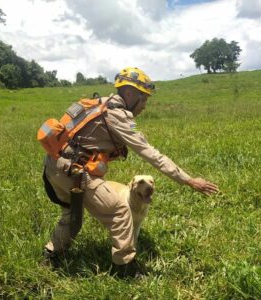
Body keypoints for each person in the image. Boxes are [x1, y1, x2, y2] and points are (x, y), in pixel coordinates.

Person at [42, 67, 219, 277]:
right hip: (75, 172)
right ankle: (125, 269)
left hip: (54, 167)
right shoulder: (118, 115)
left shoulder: (100, 104)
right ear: (129, 94)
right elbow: (151, 153)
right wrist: (189, 180)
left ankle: (50, 255)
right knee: (120, 209)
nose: (145, 106)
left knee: (73, 214)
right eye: (143, 99)